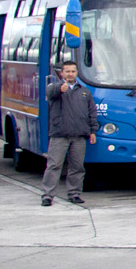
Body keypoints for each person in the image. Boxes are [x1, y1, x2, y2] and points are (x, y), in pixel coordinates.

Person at [41, 59, 96, 207]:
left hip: (79, 136)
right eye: (67, 71)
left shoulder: (84, 92)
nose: (70, 74)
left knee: (77, 167)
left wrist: (92, 131)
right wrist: (60, 88)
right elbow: (50, 93)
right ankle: (48, 195)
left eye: (73, 71)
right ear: (62, 73)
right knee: (54, 166)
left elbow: (92, 112)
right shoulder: (55, 87)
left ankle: (74, 194)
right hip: (60, 135)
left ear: (77, 73)